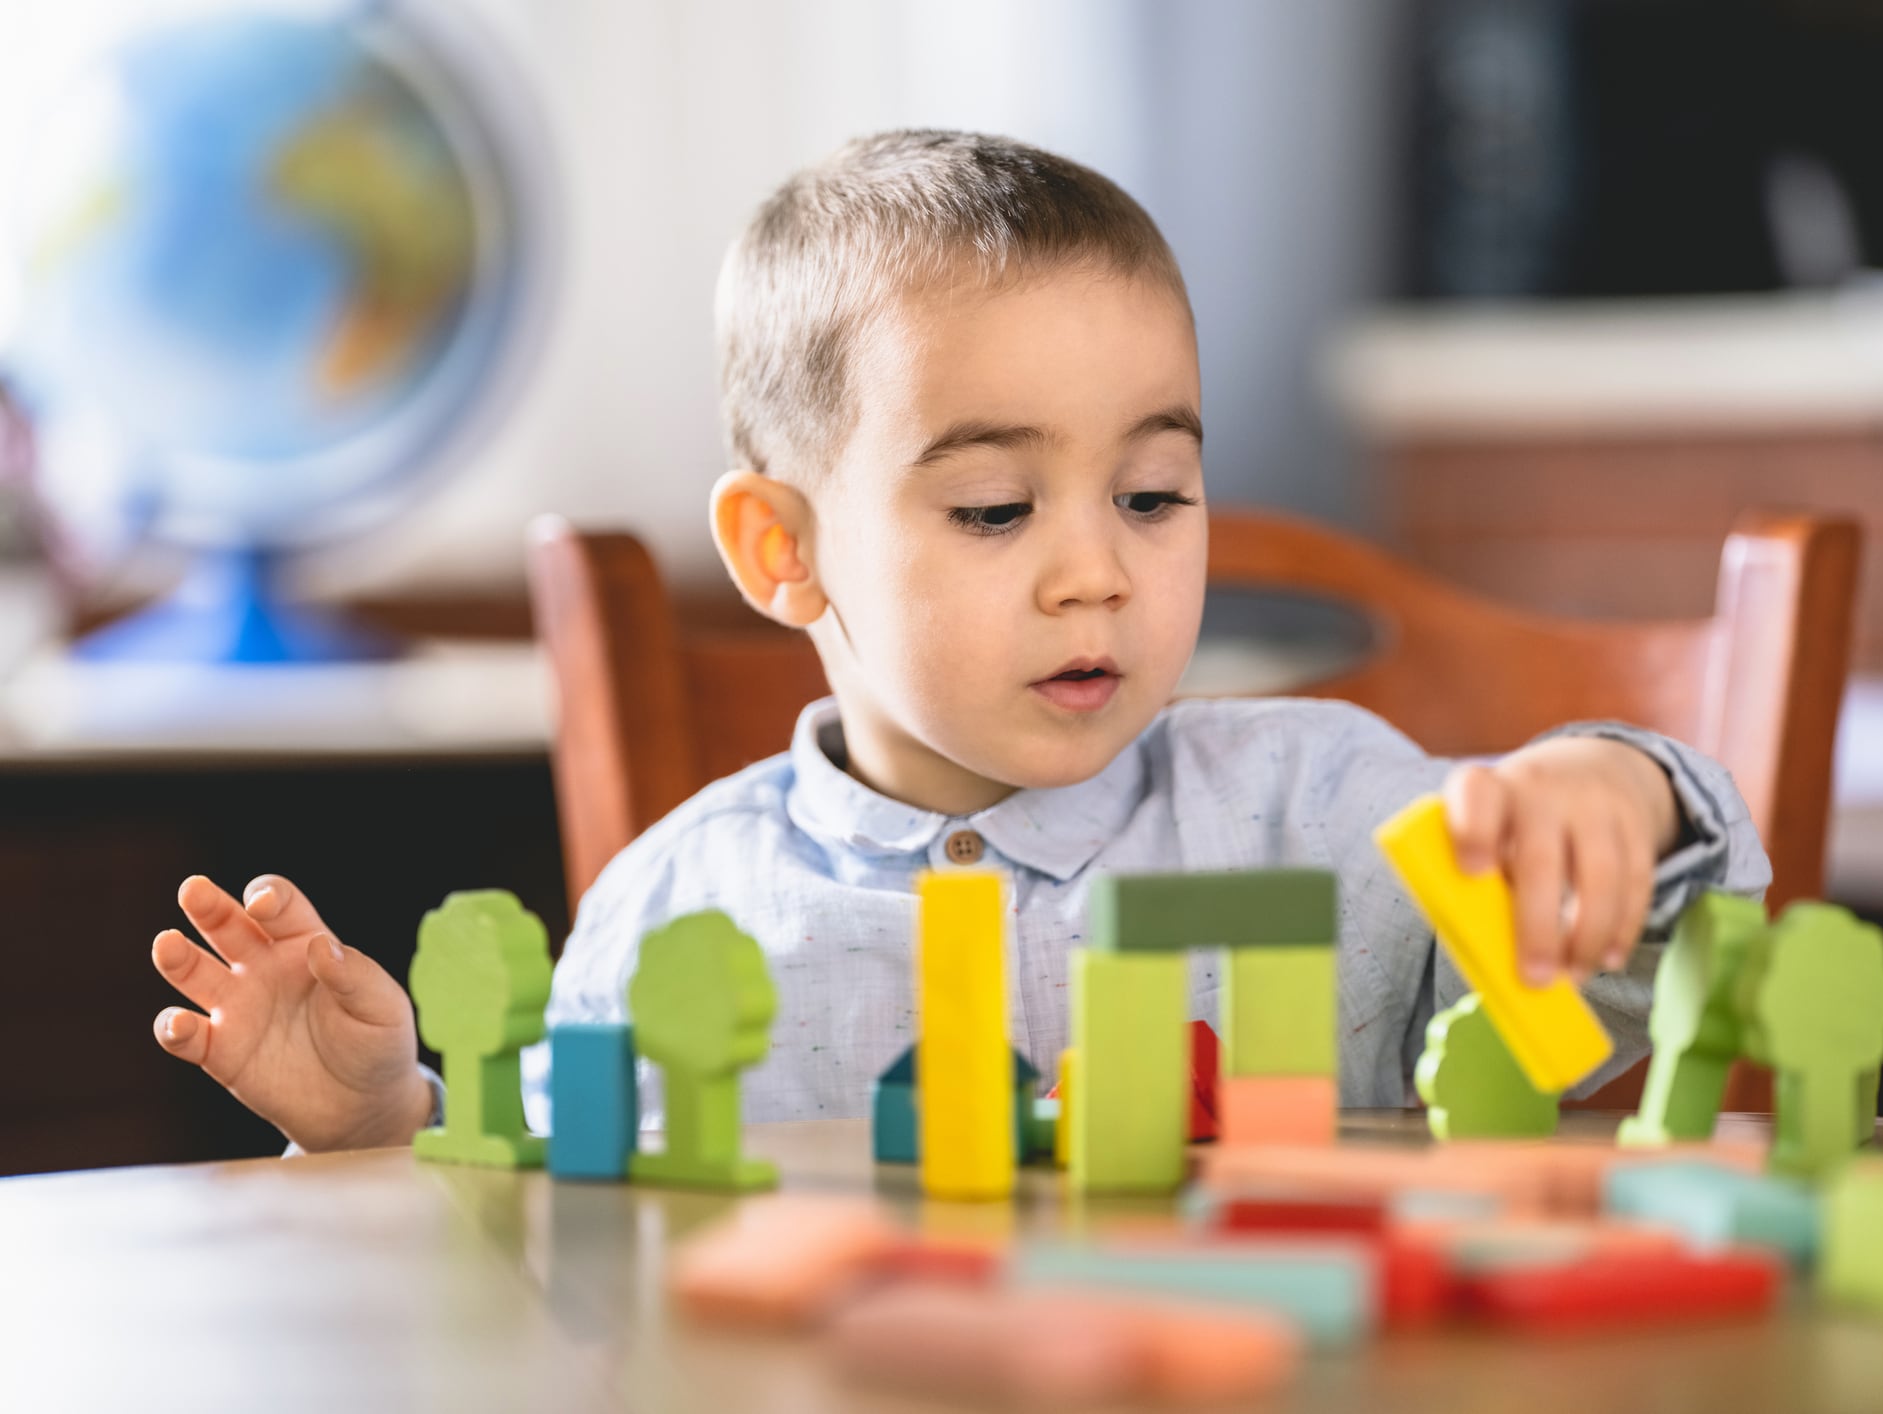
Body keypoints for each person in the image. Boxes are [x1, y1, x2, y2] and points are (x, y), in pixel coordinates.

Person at [148, 130, 1768, 1153]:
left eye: (1153, 492)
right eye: (994, 509)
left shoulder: (1332, 805)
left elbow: (1631, 993)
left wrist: (1611, 796)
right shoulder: (678, 907)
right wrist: (386, 1117)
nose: (1096, 575)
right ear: (785, 553)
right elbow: (566, 1236)